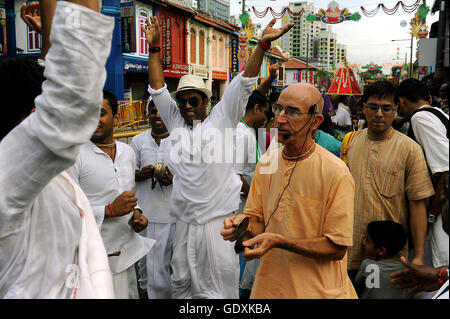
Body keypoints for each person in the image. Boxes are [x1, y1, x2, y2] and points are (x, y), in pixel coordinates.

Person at [143, 16, 294, 299]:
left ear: (206, 101)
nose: (187, 105)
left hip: (217, 227)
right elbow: (158, 89)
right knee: (182, 289)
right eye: (183, 100)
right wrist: (154, 49)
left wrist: (262, 44)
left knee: (218, 293)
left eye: (193, 100)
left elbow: (245, 82)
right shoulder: (175, 123)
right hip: (184, 226)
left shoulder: (222, 120)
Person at [0, 0, 115, 298]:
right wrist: (73, 17)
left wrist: (58, 26)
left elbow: (57, 94)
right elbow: (67, 103)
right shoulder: (7, 177)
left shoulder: (39, 177)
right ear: (30, 119)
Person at [221, 83, 357, 299]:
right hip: (269, 289)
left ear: (315, 121)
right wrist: (239, 225)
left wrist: (280, 241)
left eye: (292, 111)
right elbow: (258, 219)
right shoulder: (267, 162)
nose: (280, 119)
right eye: (278, 108)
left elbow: (337, 247)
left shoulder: (335, 172)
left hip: (319, 292)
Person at [342, 81, 435, 294]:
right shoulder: (350, 142)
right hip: (348, 250)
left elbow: (418, 205)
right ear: (363, 107)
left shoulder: (410, 150)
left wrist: (419, 256)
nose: (379, 114)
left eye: (386, 108)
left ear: (396, 109)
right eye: (373, 107)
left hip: (387, 259)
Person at [66, 91, 154, 299]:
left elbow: (127, 194)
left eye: (101, 113)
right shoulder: (74, 156)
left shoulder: (127, 153)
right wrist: (108, 211)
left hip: (125, 255)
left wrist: (136, 214)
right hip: (91, 260)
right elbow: (63, 210)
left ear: (116, 118)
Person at [397, 78, 449, 270]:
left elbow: (446, 172)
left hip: (442, 214)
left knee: (439, 273)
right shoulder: (437, 113)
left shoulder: (420, 119)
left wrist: (430, 217)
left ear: (402, 101)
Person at [130, 98, 176, 299]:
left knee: (166, 272)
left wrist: (174, 179)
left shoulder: (180, 140)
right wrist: (144, 173)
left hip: (171, 216)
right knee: (145, 272)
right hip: (145, 216)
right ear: (147, 114)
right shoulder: (138, 141)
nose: (157, 116)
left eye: (161, 112)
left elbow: (192, 176)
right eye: (153, 111)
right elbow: (127, 174)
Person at [355, 220, 411, 299]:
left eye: (367, 240)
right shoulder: (407, 270)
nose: (363, 242)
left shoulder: (368, 265)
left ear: (381, 250)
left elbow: (357, 283)